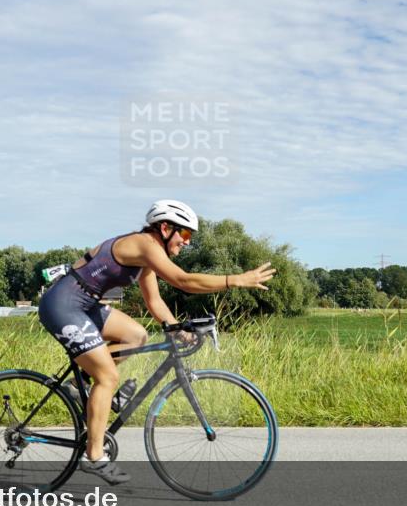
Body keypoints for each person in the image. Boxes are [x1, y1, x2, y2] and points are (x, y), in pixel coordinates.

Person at [37, 200, 277, 485]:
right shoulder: (144, 245)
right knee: (108, 376)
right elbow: (183, 280)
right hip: (64, 305)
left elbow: (154, 301)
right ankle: (95, 455)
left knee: (136, 335)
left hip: (84, 304)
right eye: (185, 235)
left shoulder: (146, 257)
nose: (187, 243)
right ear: (165, 228)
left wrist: (177, 329)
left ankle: (80, 386)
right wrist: (236, 279)